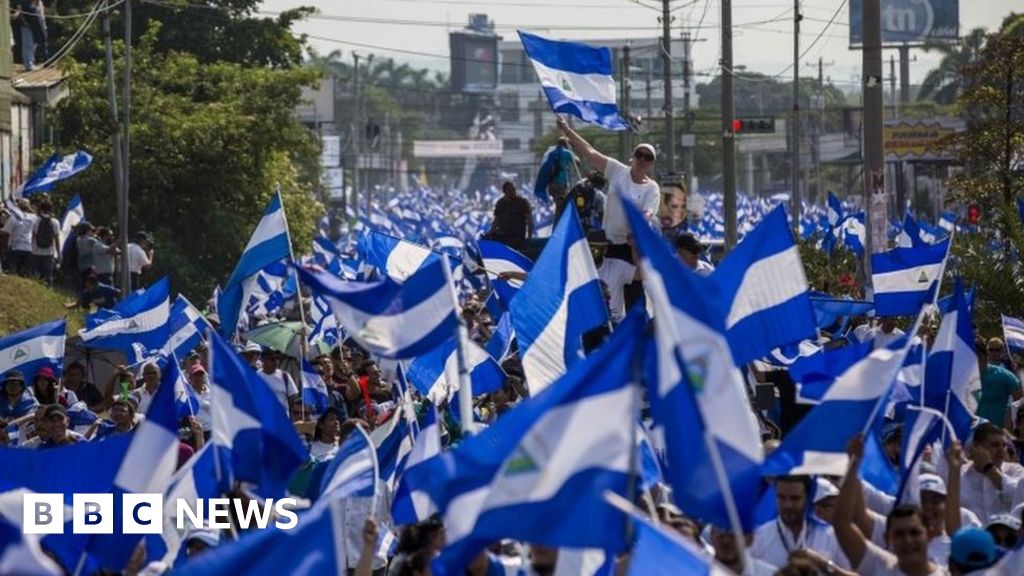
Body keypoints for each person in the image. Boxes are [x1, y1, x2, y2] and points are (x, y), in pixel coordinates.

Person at [834, 434, 951, 575]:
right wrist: (855, 463)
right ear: (887, 537)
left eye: (914, 532)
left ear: (929, 534)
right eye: (899, 534)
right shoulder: (879, 566)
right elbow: (842, 523)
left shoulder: (949, 569)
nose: (908, 540)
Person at [555, 116, 660, 262]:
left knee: (632, 283)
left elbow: (647, 214)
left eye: (647, 158)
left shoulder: (652, 188)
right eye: (639, 155)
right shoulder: (617, 170)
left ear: (651, 163)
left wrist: (636, 229)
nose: (642, 160)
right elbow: (590, 153)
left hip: (631, 246)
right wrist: (567, 130)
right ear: (633, 157)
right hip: (607, 243)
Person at [749, 475, 850, 569]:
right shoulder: (760, 538)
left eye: (795, 498)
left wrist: (824, 564)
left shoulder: (831, 536)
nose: (787, 505)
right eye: (781, 498)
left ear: (808, 498)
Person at [959, 422, 1019, 523]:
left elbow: (1019, 494)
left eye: (1004, 446)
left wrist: (989, 469)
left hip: (1006, 538)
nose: (1002, 451)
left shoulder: (1015, 470)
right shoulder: (959, 474)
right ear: (977, 447)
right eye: (995, 445)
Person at [588, 229, 636, 325]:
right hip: (586, 326)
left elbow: (643, 273)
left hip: (613, 326)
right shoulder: (576, 267)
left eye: (596, 249)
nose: (592, 252)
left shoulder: (617, 266)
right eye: (589, 248)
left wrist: (635, 246)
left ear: (605, 250)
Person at [975, 340, 1022, 428]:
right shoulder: (963, 377)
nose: (994, 352)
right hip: (971, 434)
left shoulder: (1004, 375)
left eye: (997, 350)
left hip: (997, 434)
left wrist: (1011, 419)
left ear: (981, 356)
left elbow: (1020, 399)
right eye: (991, 349)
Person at [710, 525, 777, 575]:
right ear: (711, 536)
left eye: (732, 536)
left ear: (750, 539)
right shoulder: (701, 572)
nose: (726, 540)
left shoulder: (770, 574)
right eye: (721, 536)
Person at [486, 180, 533, 251]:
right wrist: (491, 231)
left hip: (517, 237)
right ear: (504, 191)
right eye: (510, 190)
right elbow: (496, 220)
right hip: (503, 235)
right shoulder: (500, 203)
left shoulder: (522, 202)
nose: (513, 192)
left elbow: (529, 221)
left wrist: (529, 236)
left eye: (514, 189)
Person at [1, 198, 37, 276]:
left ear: (17, 206)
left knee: (11, 271)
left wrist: (4, 248)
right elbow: (35, 216)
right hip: (28, 247)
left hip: (15, 247)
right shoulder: (32, 218)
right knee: (24, 273)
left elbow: (6, 234)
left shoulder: (13, 218)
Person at [257, 348, 299, 412]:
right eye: (272, 359)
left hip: (282, 417)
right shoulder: (256, 376)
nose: (276, 362)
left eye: (278, 359)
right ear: (263, 360)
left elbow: (293, 396)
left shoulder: (285, 376)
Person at [30, 200, 59, 286]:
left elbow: (33, 236)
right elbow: (57, 239)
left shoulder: (36, 221)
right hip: (49, 252)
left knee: (35, 275)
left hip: (36, 251)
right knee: (48, 276)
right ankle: (48, 291)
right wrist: (58, 253)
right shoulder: (55, 222)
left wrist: (31, 248)